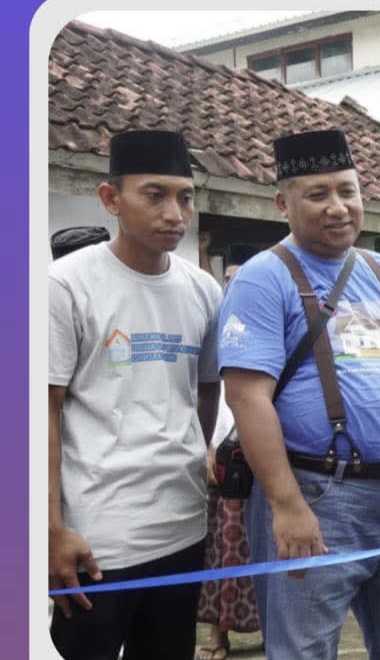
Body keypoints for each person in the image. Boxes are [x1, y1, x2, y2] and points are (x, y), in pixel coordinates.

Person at [218, 129, 380, 660]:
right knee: (304, 652)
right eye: (318, 194)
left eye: (348, 191)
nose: (338, 207)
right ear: (282, 203)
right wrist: (287, 505)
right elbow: (247, 398)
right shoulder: (263, 279)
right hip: (317, 495)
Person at [48, 129, 222, 659]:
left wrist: (201, 450)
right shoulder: (65, 285)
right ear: (111, 199)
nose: (175, 213)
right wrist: (50, 528)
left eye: (185, 197)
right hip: (97, 538)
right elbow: (40, 412)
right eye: (155, 195)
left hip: (182, 528)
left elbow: (207, 388)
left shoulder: (203, 290)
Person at [194, 247, 261, 660]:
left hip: (262, 463)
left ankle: (273, 630)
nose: (233, 286)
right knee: (221, 554)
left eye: (241, 278)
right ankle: (219, 636)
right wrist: (204, 448)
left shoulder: (268, 326)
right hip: (220, 463)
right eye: (228, 279)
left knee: (267, 555)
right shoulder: (211, 330)